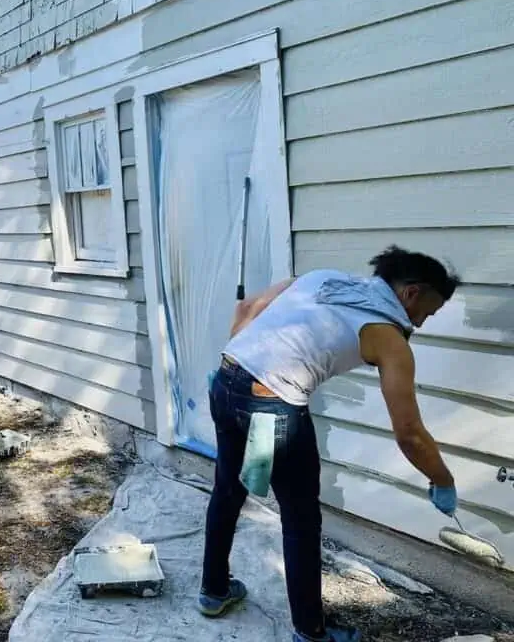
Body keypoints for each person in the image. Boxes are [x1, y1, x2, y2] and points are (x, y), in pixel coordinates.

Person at [198, 246, 462, 642]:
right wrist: (442, 479)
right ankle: (310, 631)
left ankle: (213, 591)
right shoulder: (388, 338)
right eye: (428, 311)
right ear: (411, 293)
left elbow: (249, 306)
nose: (421, 323)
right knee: (300, 519)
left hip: (227, 375)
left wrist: (241, 369)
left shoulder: (322, 277)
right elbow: (409, 434)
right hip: (273, 403)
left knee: (227, 488)